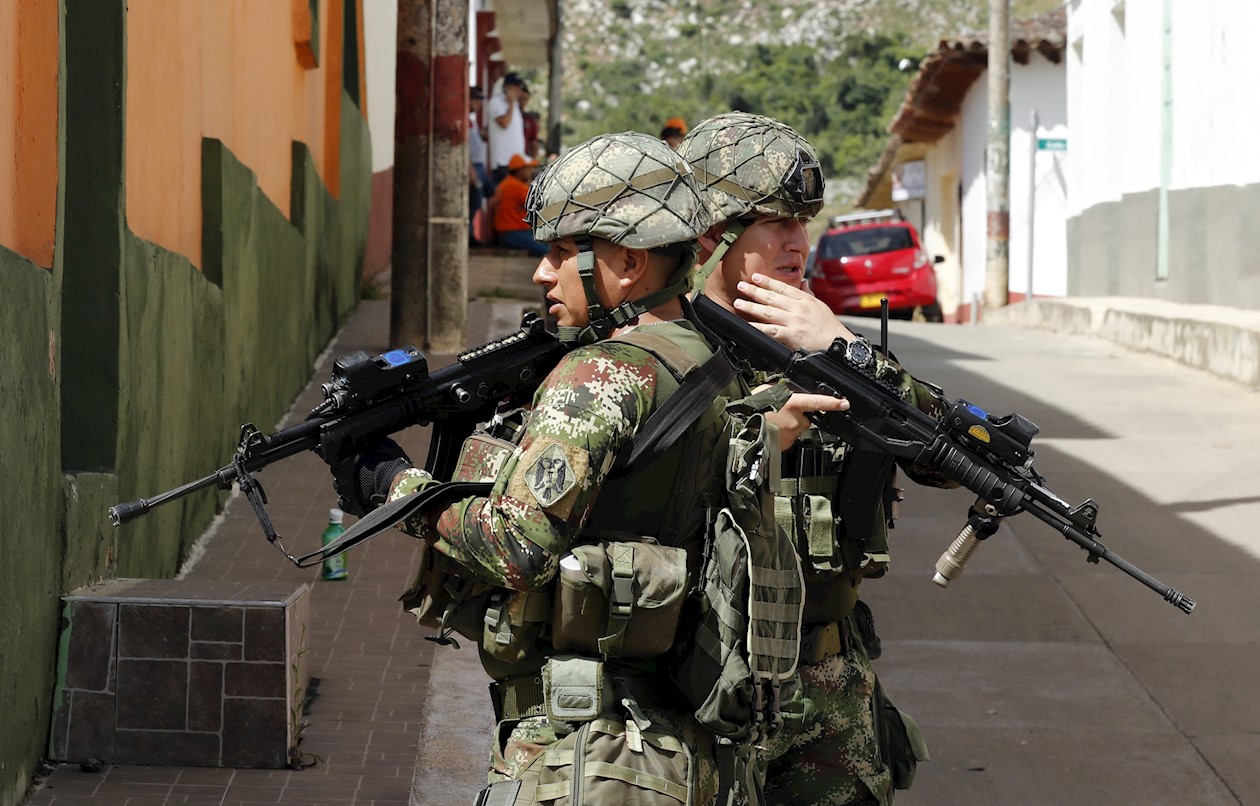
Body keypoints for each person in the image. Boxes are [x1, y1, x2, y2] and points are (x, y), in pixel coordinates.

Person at [333, 131, 833, 804]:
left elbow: (518, 545)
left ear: (627, 263)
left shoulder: (605, 369)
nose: (544, 272)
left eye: (565, 252)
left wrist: (393, 485)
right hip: (672, 743)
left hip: (586, 751)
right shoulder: (705, 360)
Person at [680, 111, 950, 806]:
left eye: (806, 222)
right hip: (704, 689)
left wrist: (848, 353)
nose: (800, 241)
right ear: (714, 233)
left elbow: (941, 452)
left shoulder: (829, 344)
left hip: (830, 694)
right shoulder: (663, 350)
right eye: (777, 222)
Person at [491, 154, 547, 256]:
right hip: (513, 234)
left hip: (510, 233)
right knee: (546, 251)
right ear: (520, 170)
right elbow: (540, 203)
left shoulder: (507, 183)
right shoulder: (516, 186)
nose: (531, 172)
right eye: (529, 168)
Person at [488, 72, 528, 186]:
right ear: (509, 87)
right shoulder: (496, 102)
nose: (520, 92)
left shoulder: (514, 104)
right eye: (518, 88)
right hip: (503, 161)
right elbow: (504, 123)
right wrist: (510, 103)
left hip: (515, 160)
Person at [469, 86, 491, 246]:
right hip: (473, 166)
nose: (478, 105)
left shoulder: (471, 120)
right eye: (476, 101)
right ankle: (469, 237)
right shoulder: (463, 119)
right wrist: (469, 170)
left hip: (479, 165)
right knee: (473, 201)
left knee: (485, 196)